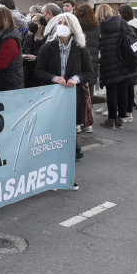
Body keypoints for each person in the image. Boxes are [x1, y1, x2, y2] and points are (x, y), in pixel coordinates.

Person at [35, 13, 94, 163]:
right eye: (60, 22)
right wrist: (54, 78)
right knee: (53, 123)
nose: (61, 25)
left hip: (72, 93)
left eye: (65, 23)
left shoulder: (81, 48)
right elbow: (39, 71)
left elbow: (89, 73)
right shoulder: (48, 47)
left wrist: (75, 79)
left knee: (69, 123)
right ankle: (58, 151)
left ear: (73, 28)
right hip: (53, 93)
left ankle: (73, 150)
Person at [96, 4, 137, 128]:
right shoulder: (122, 23)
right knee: (123, 91)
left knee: (111, 92)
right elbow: (133, 38)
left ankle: (111, 120)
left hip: (108, 64)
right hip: (124, 62)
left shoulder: (100, 26)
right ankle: (121, 119)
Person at [21, 12, 46, 88]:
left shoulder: (46, 39)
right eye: (32, 22)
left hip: (38, 73)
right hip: (26, 71)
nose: (32, 24)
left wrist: (36, 58)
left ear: (41, 24)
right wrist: (22, 56)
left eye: (35, 22)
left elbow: (48, 57)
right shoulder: (27, 37)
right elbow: (21, 50)